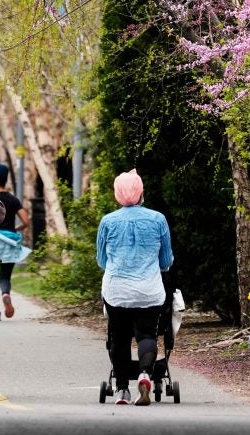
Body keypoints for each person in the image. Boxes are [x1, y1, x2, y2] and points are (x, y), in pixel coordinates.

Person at [96, 169, 174, 406]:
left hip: (117, 290)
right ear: (141, 192)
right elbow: (165, 261)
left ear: (117, 193)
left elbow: (101, 260)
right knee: (147, 334)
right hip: (149, 291)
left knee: (119, 339)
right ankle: (144, 374)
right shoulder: (158, 219)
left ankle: (121, 391)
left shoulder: (107, 221)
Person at [0, 163, 31, 321]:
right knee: (5, 277)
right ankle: (5, 294)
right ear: (6, 180)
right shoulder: (13, 200)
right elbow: (26, 220)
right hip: (9, 242)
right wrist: (15, 228)